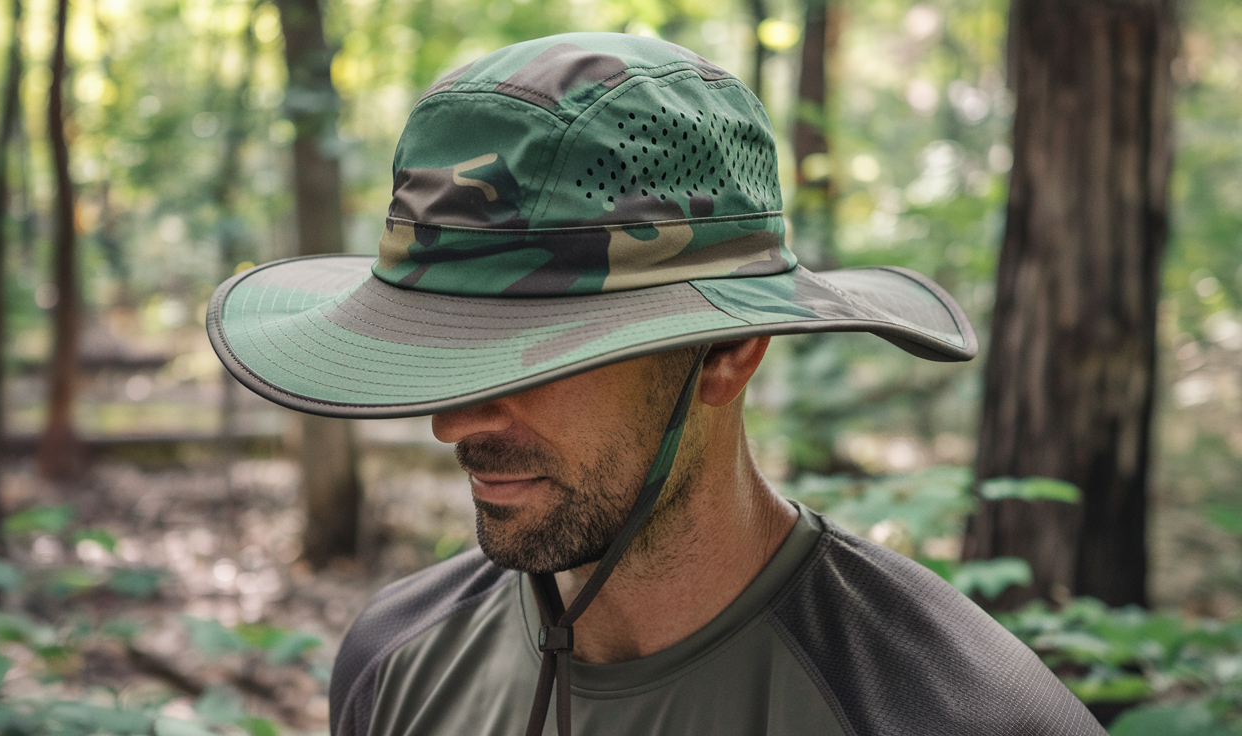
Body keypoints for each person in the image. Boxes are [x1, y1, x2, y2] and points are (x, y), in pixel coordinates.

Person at [208, 32, 1107, 736]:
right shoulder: (394, 662)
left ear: (729, 352)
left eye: (533, 355)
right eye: (442, 350)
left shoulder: (949, 715)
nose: (451, 423)